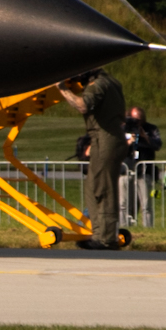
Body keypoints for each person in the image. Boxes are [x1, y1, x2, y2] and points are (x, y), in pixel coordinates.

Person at [57, 70, 125, 249]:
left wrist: (62, 88)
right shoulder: (111, 81)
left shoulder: (98, 85)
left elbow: (83, 105)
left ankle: (106, 239)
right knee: (93, 187)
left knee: (103, 188)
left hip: (105, 138)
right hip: (104, 138)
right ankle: (99, 233)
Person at [120, 106, 161, 228]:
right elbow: (115, 148)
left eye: (139, 120)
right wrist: (128, 142)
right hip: (125, 170)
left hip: (143, 171)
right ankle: (125, 227)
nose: (137, 122)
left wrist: (145, 137)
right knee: (123, 203)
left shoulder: (151, 128)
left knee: (146, 204)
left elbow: (157, 145)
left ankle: (148, 228)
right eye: (134, 119)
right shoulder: (123, 129)